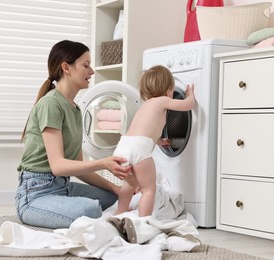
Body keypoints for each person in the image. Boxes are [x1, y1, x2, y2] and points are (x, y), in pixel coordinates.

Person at [15, 40, 132, 229]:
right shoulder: (51, 104)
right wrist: (104, 163)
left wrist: (117, 189)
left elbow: (78, 167)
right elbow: (58, 166)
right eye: (86, 65)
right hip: (35, 194)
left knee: (111, 197)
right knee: (91, 210)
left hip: (63, 188)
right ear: (66, 68)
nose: (92, 71)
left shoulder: (75, 110)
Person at [113, 65, 195, 217]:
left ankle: (120, 211)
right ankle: (144, 221)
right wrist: (190, 95)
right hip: (139, 151)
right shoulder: (163, 101)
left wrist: (158, 141)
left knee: (129, 184)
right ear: (168, 90)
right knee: (148, 189)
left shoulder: (145, 106)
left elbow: (144, 131)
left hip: (124, 147)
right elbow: (187, 106)